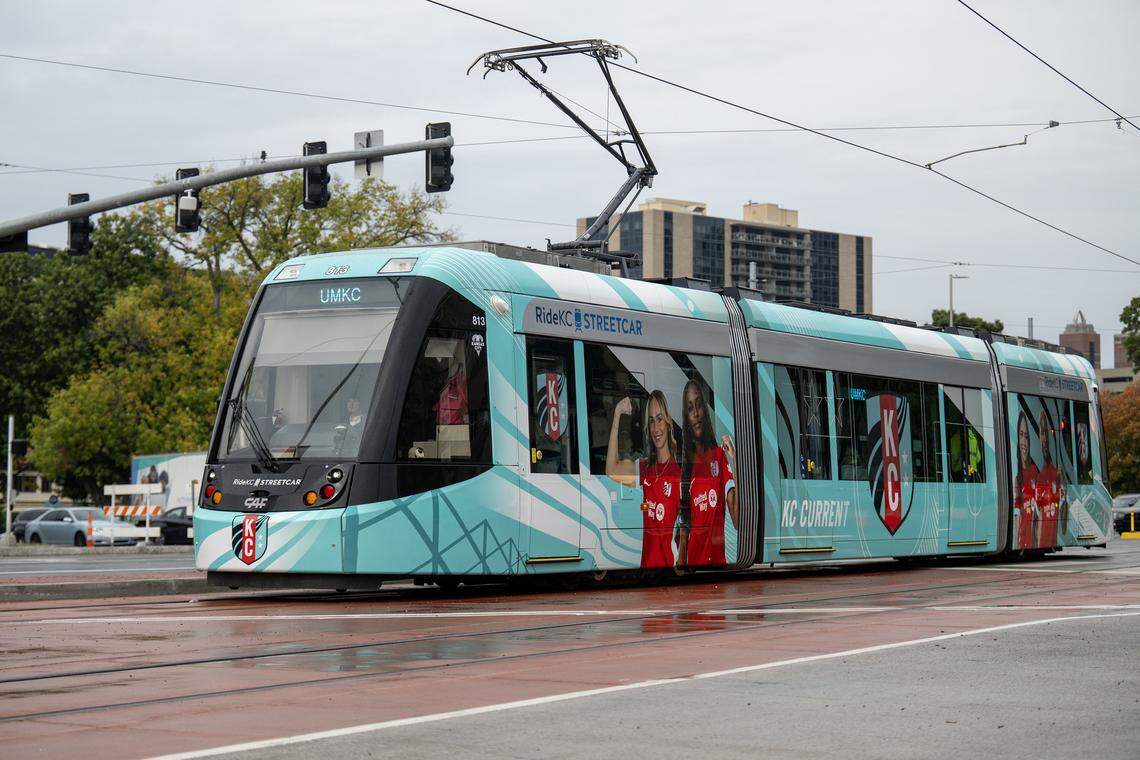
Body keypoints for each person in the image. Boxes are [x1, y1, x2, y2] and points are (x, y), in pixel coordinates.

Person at [606, 391, 681, 569]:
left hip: (669, 571)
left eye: (660, 418)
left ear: (669, 422)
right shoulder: (644, 467)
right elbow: (611, 470)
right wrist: (617, 415)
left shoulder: (679, 474)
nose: (656, 428)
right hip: (647, 569)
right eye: (651, 421)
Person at [677, 379, 738, 567]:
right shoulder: (685, 467)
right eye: (689, 409)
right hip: (693, 569)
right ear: (686, 417)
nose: (695, 413)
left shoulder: (719, 456)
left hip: (715, 565)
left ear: (705, 409)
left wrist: (735, 458)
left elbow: (737, 520)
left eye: (699, 405)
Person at [1035, 409, 1063, 548]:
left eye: (1046, 432)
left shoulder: (1056, 472)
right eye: (1042, 433)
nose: (1044, 439)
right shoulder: (1039, 474)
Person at [1013, 411, 1039, 550]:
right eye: (1021, 436)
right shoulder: (1018, 477)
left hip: (1033, 538)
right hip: (1022, 539)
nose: (1024, 441)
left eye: (1026, 436)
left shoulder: (1034, 471)